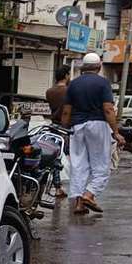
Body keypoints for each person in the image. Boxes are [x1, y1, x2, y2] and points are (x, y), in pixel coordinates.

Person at [60, 53, 125, 215]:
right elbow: (108, 109)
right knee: (101, 165)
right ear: (99, 66)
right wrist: (116, 132)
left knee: (78, 165)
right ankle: (89, 195)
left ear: (83, 67)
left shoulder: (73, 84)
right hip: (98, 125)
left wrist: (64, 130)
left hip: (77, 126)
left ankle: (78, 204)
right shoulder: (103, 83)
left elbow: (66, 111)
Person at [45, 65, 72, 198]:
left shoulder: (49, 91)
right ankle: (76, 188)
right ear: (66, 75)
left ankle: (57, 187)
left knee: (55, 157)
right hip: (67, 128)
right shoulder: (69, 91)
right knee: (73, 158)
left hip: (53, 127)